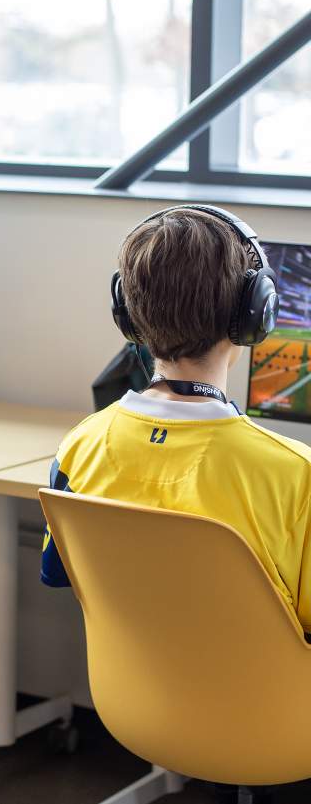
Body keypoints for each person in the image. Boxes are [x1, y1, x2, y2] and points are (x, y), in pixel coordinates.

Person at [41, 205, 311, 638]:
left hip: (127, 682)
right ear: (255, 313)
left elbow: (61, 572)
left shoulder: (80, 446)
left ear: (128, 314)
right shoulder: (296, 475)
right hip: (260, 684)